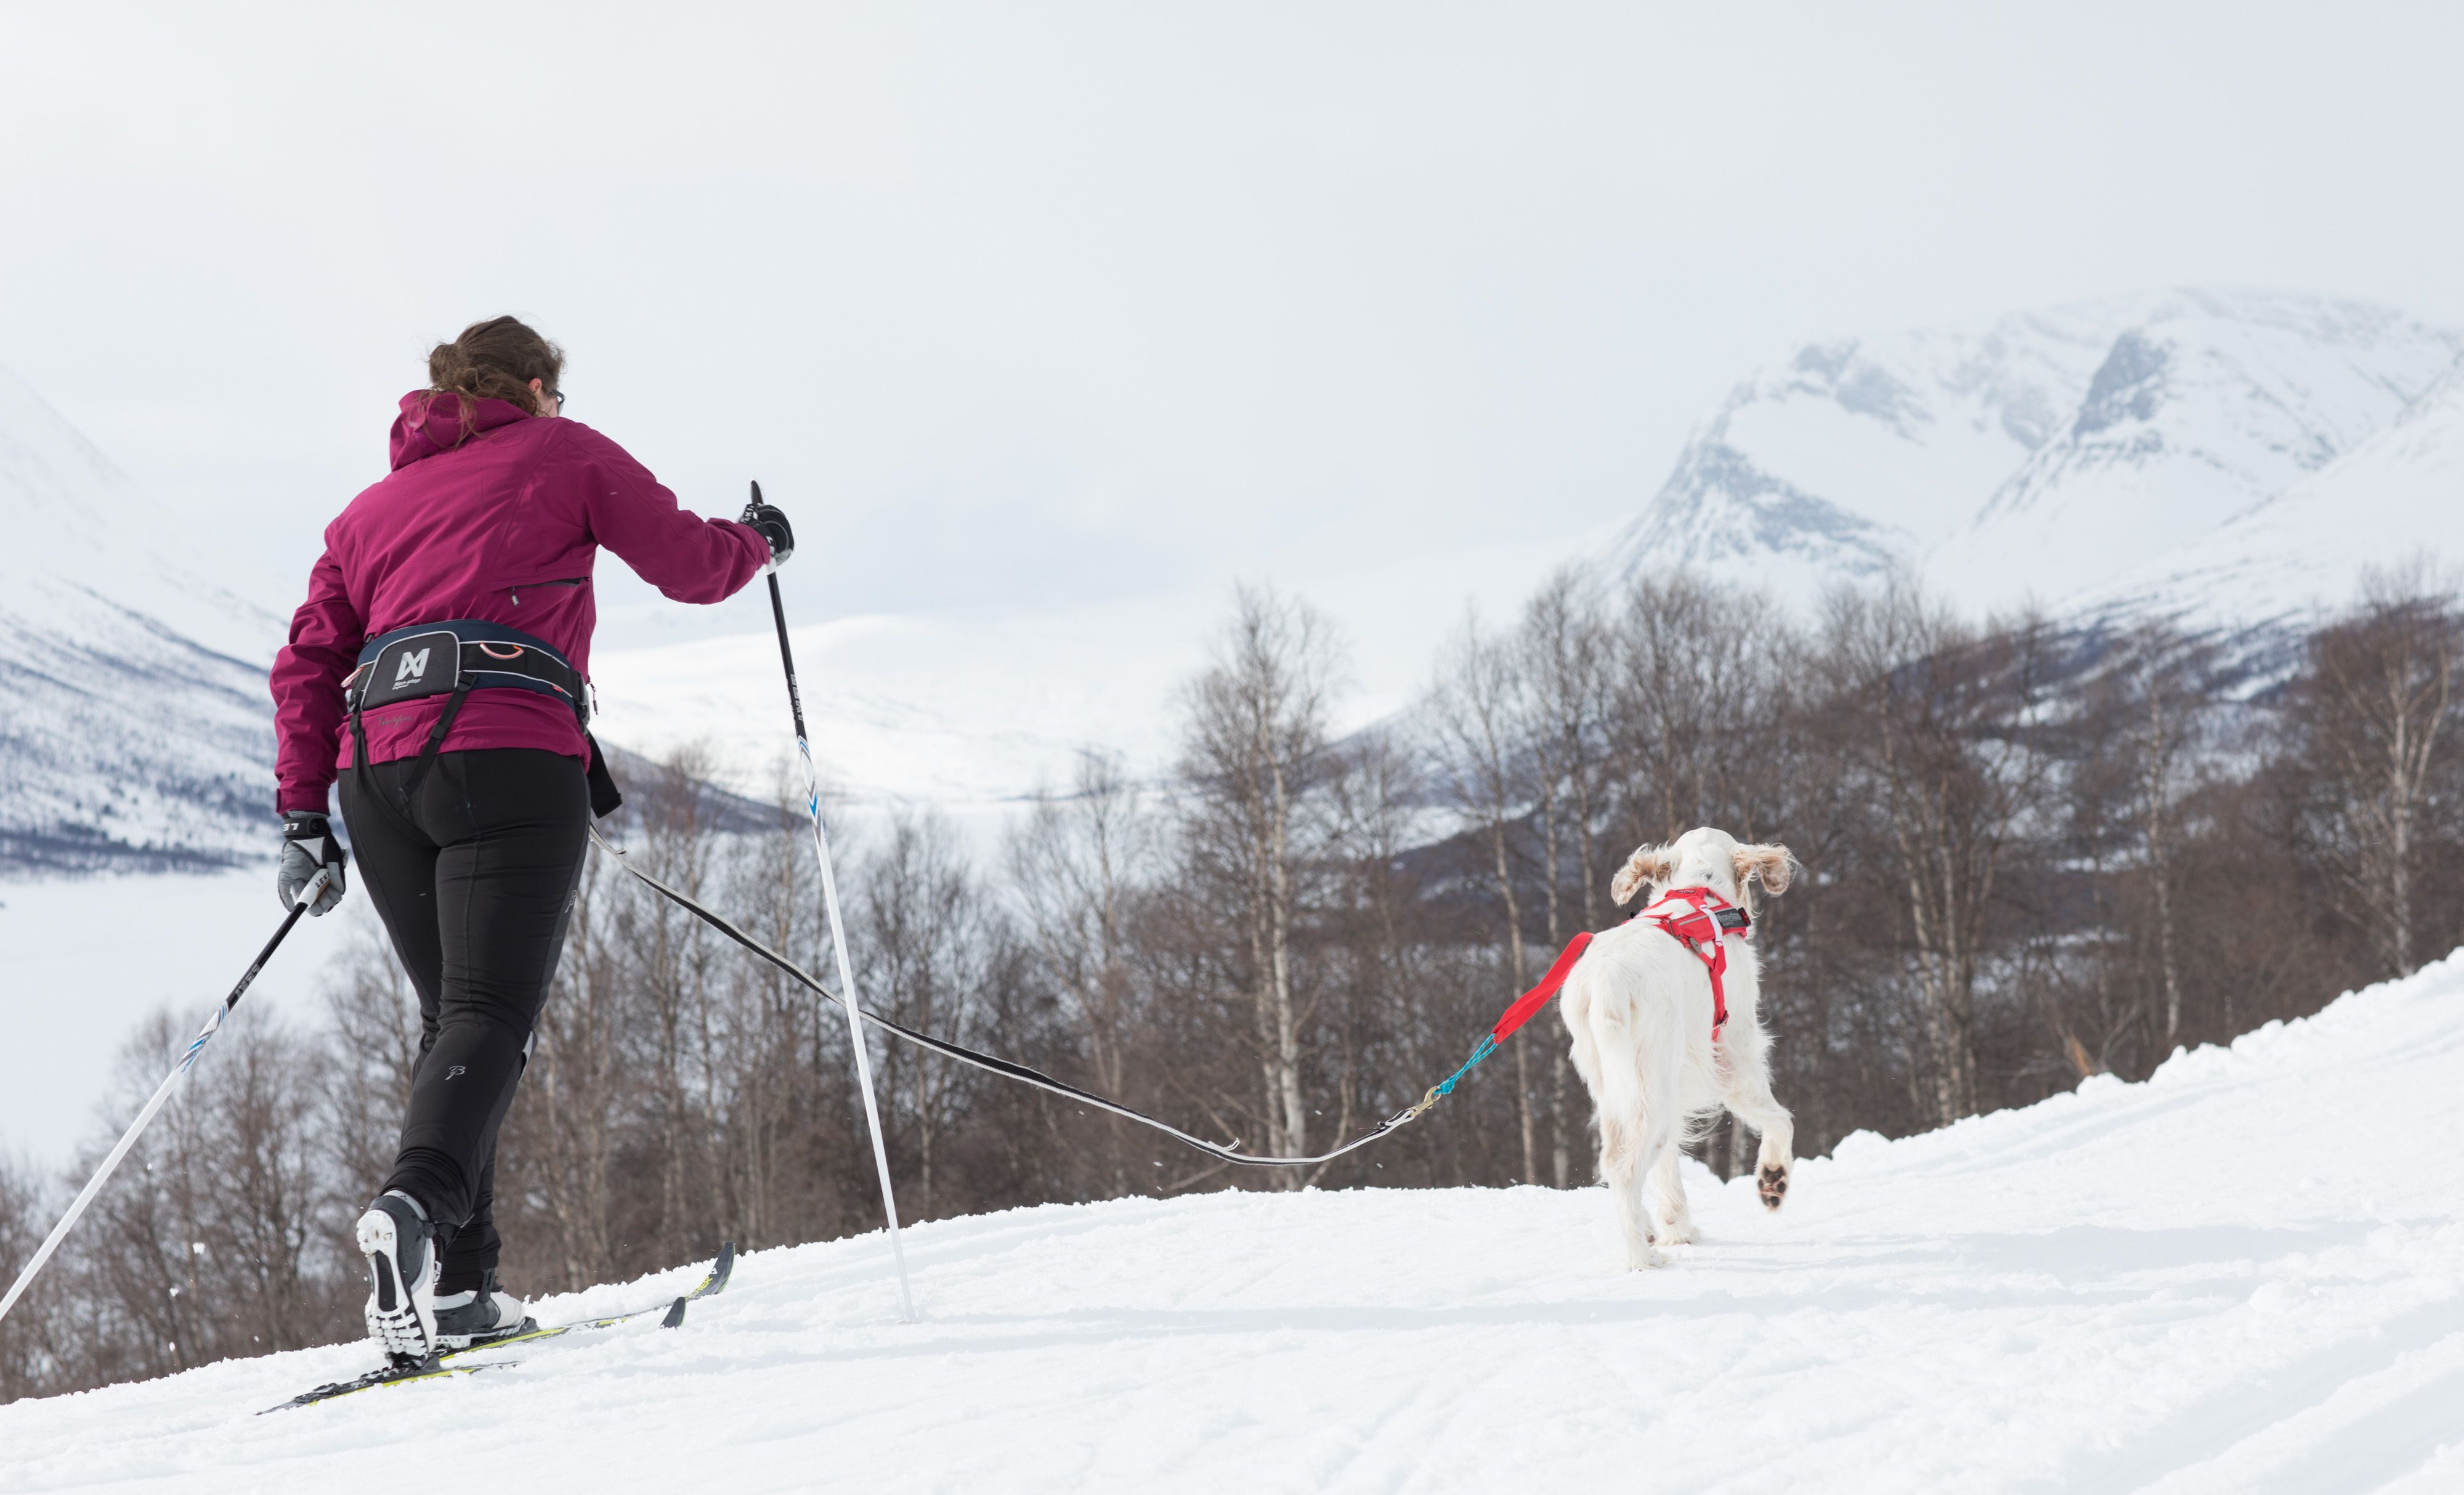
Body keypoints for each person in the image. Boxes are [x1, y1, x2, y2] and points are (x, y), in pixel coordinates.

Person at [269, 316, 795, 1364]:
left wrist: (302, 818)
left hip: (376, 776)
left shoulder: (363, 516)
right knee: (488, 1014)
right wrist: (762, 543)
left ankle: (463, 1288)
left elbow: (309, 664)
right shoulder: (564, 449)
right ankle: (415, 1211)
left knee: (456, 1021)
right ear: (538, 386)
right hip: (505, 751)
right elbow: (691, 565)